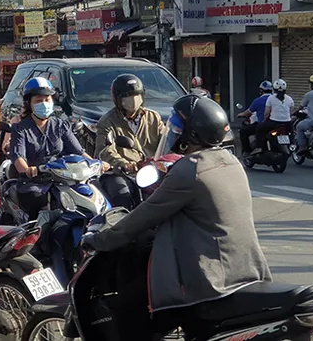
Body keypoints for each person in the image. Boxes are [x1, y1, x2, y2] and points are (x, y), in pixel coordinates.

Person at [81, 95, 271, 341]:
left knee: (130, 309)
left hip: (209, 279)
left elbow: (144, 217)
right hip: (247, 269)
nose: (173, 133)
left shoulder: (190, 170)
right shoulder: (230, 161)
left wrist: (99, 240)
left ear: (190, 135)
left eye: (178, 129)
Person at [8, 77, 87, 219]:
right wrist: (28, 170)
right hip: (33, 182)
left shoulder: (61, 125)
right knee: (38, 201)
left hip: (62, 178)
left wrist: (97, 164)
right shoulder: (20, 129)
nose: (44, 104)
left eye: (47, 100)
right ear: (29, 104)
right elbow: (18, 157)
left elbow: (78, 152)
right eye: (38, 101)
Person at [92, 74, 165, 209]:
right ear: (117, 99)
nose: (133, 100)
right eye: (127, 96)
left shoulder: (153, 117)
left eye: (136, 95)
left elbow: (166, 141)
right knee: (122, 195)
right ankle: (123, 221)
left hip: (152, 170)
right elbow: (104, 151)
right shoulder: (107, 122)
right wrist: (123, 164)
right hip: (120, 173)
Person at [255, 78, 294, 149]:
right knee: (292, 135)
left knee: (259, 128)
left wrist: (264, 120)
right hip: (287, 124)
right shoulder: (290, 99)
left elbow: (267, 113)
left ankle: (259, 147)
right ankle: (292, 146)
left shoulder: (271, 98)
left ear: (274, 89)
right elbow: (291, 112)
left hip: (274, 123)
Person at [237, 81, 272, 156]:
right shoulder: (275, 100)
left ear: (261, 91)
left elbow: (248, 112)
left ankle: (246, 151)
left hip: (262, 125)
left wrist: (240, 114)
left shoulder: (258, 101)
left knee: (243, 131)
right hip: (275, 124)